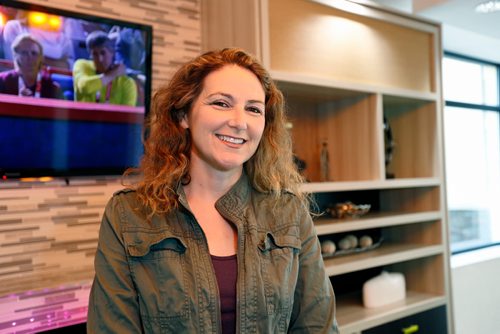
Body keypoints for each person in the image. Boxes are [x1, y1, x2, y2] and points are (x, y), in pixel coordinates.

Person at [87, 48, 339, 333]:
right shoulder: (128, 215)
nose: (239, 122)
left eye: (254, 109)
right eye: (221, 103)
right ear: (184, 115)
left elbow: (318, 326)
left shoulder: (288, 212)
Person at [72, 30, 137, 106]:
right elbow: (85, 87)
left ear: (112, 53)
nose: (100, 59)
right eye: (95, 54)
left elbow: (128, 116)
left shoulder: (127, 82)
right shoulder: (81, 64)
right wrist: (112, 74)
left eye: (103, 53)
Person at [0, 33, 62, 99]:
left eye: (34, 53)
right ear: (15, 56)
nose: (29, 57)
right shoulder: (2, 81)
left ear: (41, 58)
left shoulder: (52, 87)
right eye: (24, 53)